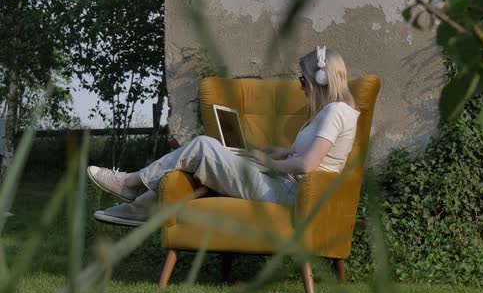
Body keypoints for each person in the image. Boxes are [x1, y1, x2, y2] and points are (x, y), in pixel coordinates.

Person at [87, 46, 360, 226]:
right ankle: (142, 205)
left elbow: (307, 165)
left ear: (321, 79)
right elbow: (298, 155)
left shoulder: (336, 112)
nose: (300, 86)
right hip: (287, 185)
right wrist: (266, 151)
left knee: (205, 147)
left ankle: (132, 184)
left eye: (303, 80)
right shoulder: (331, 112)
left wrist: (269, 163)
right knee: (223, 152)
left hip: (292, 193)